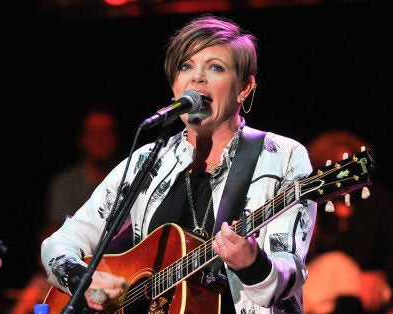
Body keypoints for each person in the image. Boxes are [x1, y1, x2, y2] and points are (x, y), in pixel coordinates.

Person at [41, 14, 319, 313]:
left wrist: (252, 263)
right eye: (186, 66)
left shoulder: (281, 156)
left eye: (215, 67)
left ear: (244, 88)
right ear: (175, 85)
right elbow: (61, 242)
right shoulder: (149, 161)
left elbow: (289, 272)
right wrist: (84, 280)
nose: (196, 77)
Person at [303, 130, 393, 314]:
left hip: (368, 293)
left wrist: (381, 276)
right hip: (323, 298)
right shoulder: (314, 211)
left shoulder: (376, 202)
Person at [45, 108, 120, 226]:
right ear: (82, 139)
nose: (100, 139)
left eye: (106, 132)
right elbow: (58, 230)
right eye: (93, 133)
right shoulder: (65, 184)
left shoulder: (130, 178)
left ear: (116, 138)